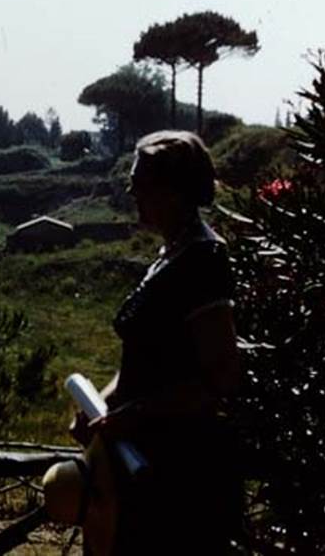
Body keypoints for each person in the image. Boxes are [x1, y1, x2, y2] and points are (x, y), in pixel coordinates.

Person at [70, 130, 243, 554]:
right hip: (136, 461)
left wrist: (134, 416)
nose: (130, 189)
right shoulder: (170, 257)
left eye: (140, 180)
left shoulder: (202, 260)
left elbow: (220, 376)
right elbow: (141, 362)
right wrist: (102, 410)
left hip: (176, 472)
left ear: (174, 191)